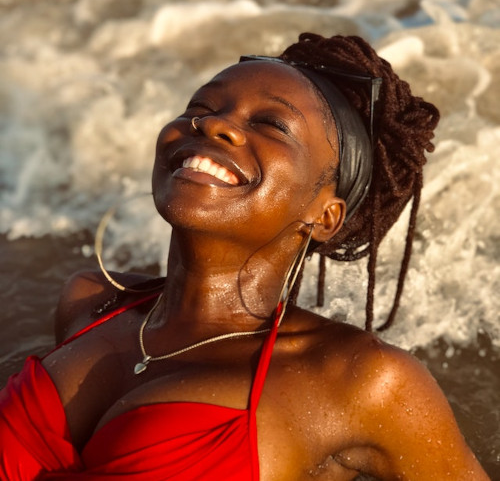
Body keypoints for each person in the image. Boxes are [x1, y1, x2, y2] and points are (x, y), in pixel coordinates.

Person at [0, 33, 490, 480]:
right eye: (201, 107)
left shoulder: (360, 381)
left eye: (270, 124)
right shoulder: (89, 304)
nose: (214, 124)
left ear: (326, 215)